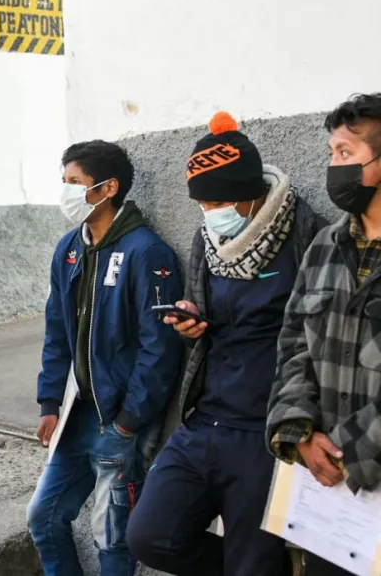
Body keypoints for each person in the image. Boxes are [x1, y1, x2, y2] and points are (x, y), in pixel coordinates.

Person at [125, 112, 325, 576]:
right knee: (150, 536)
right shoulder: (208, 240)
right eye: (202, 202)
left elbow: (319, 337)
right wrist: (193, 322)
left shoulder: (305, 237)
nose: (209, 211)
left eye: (218, 200)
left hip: (265, 431)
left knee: (253, 563)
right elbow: (204, 308)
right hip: (205, 419)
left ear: (251, 194)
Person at [28, 140, 183, 576]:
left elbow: (160, 347)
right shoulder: (69, 249)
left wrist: (129, 420)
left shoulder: (146, 252)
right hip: (75, 418)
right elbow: (56, 330)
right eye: (64, 182)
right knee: (43, 517)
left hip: (119, 421)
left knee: (113, 537)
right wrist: (49, 403)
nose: (67, 192)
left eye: (74, 182)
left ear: (107, 187)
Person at [266, 93, 381, 576]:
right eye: (332, 153)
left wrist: (353, 452)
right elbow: (294, 343)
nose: (334, 167)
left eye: (346, 154)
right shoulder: (324, 246)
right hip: (331, 505)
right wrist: (301, 432)